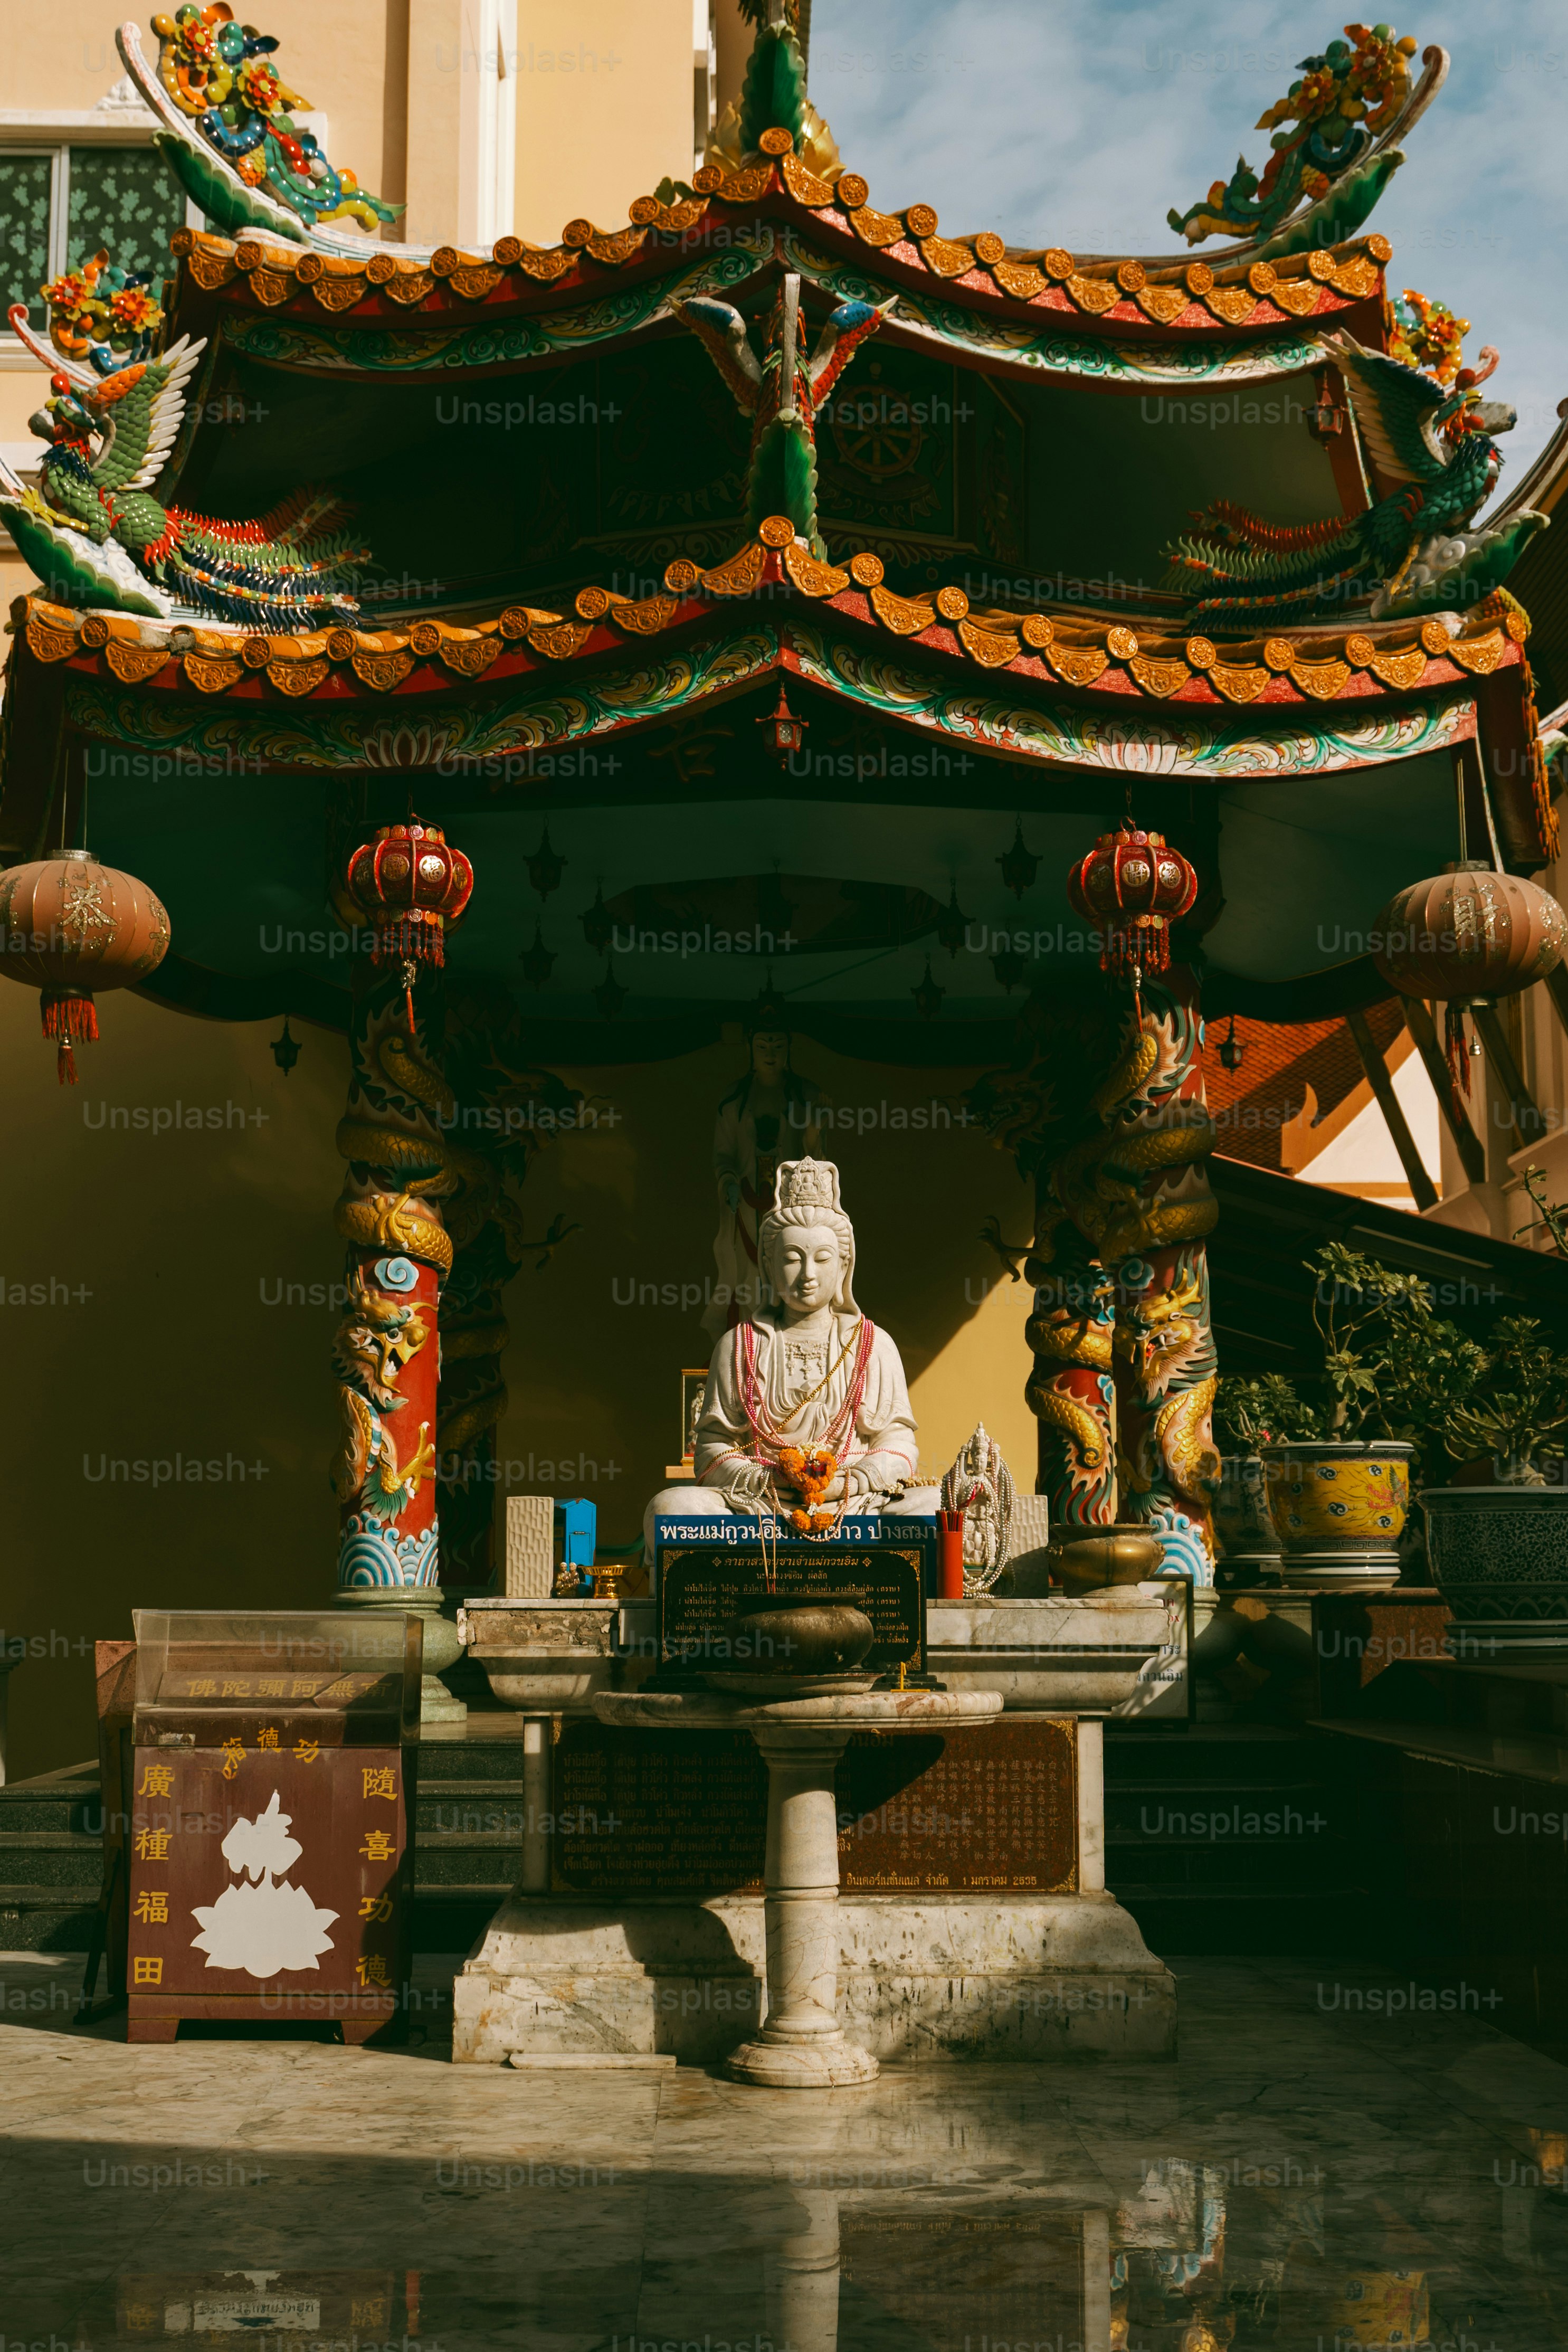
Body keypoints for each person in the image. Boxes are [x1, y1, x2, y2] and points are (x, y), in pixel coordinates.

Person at [645, 1156, 939, 1554]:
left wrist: (849, 1482)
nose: (807, 1275)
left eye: (822, 1258)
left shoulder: (872, 1343)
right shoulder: (739, 1345)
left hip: (855, 1504)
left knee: (934, 1507)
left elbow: (899, 1446)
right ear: (768, 1265)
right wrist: (764, 1480)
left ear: (844, 1265)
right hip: (759, 1505)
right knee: (670, 1509)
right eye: (791, 1258)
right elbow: (712, 1450)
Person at [704, 1000, 824, 1337]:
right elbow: (723, 1155)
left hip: (792, 1202)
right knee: (748, 1272)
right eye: (762, 1046)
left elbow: (818, 1160)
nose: (770, 1054)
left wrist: (814, 1129)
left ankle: (791, 1336)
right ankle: (749, 1339)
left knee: (792, 1264)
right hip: (746, 1200)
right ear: (750, 1048)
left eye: (778, 1046)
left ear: (789, 1048)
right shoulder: (734, 1099)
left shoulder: (805, 1094)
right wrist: (729, 1182)